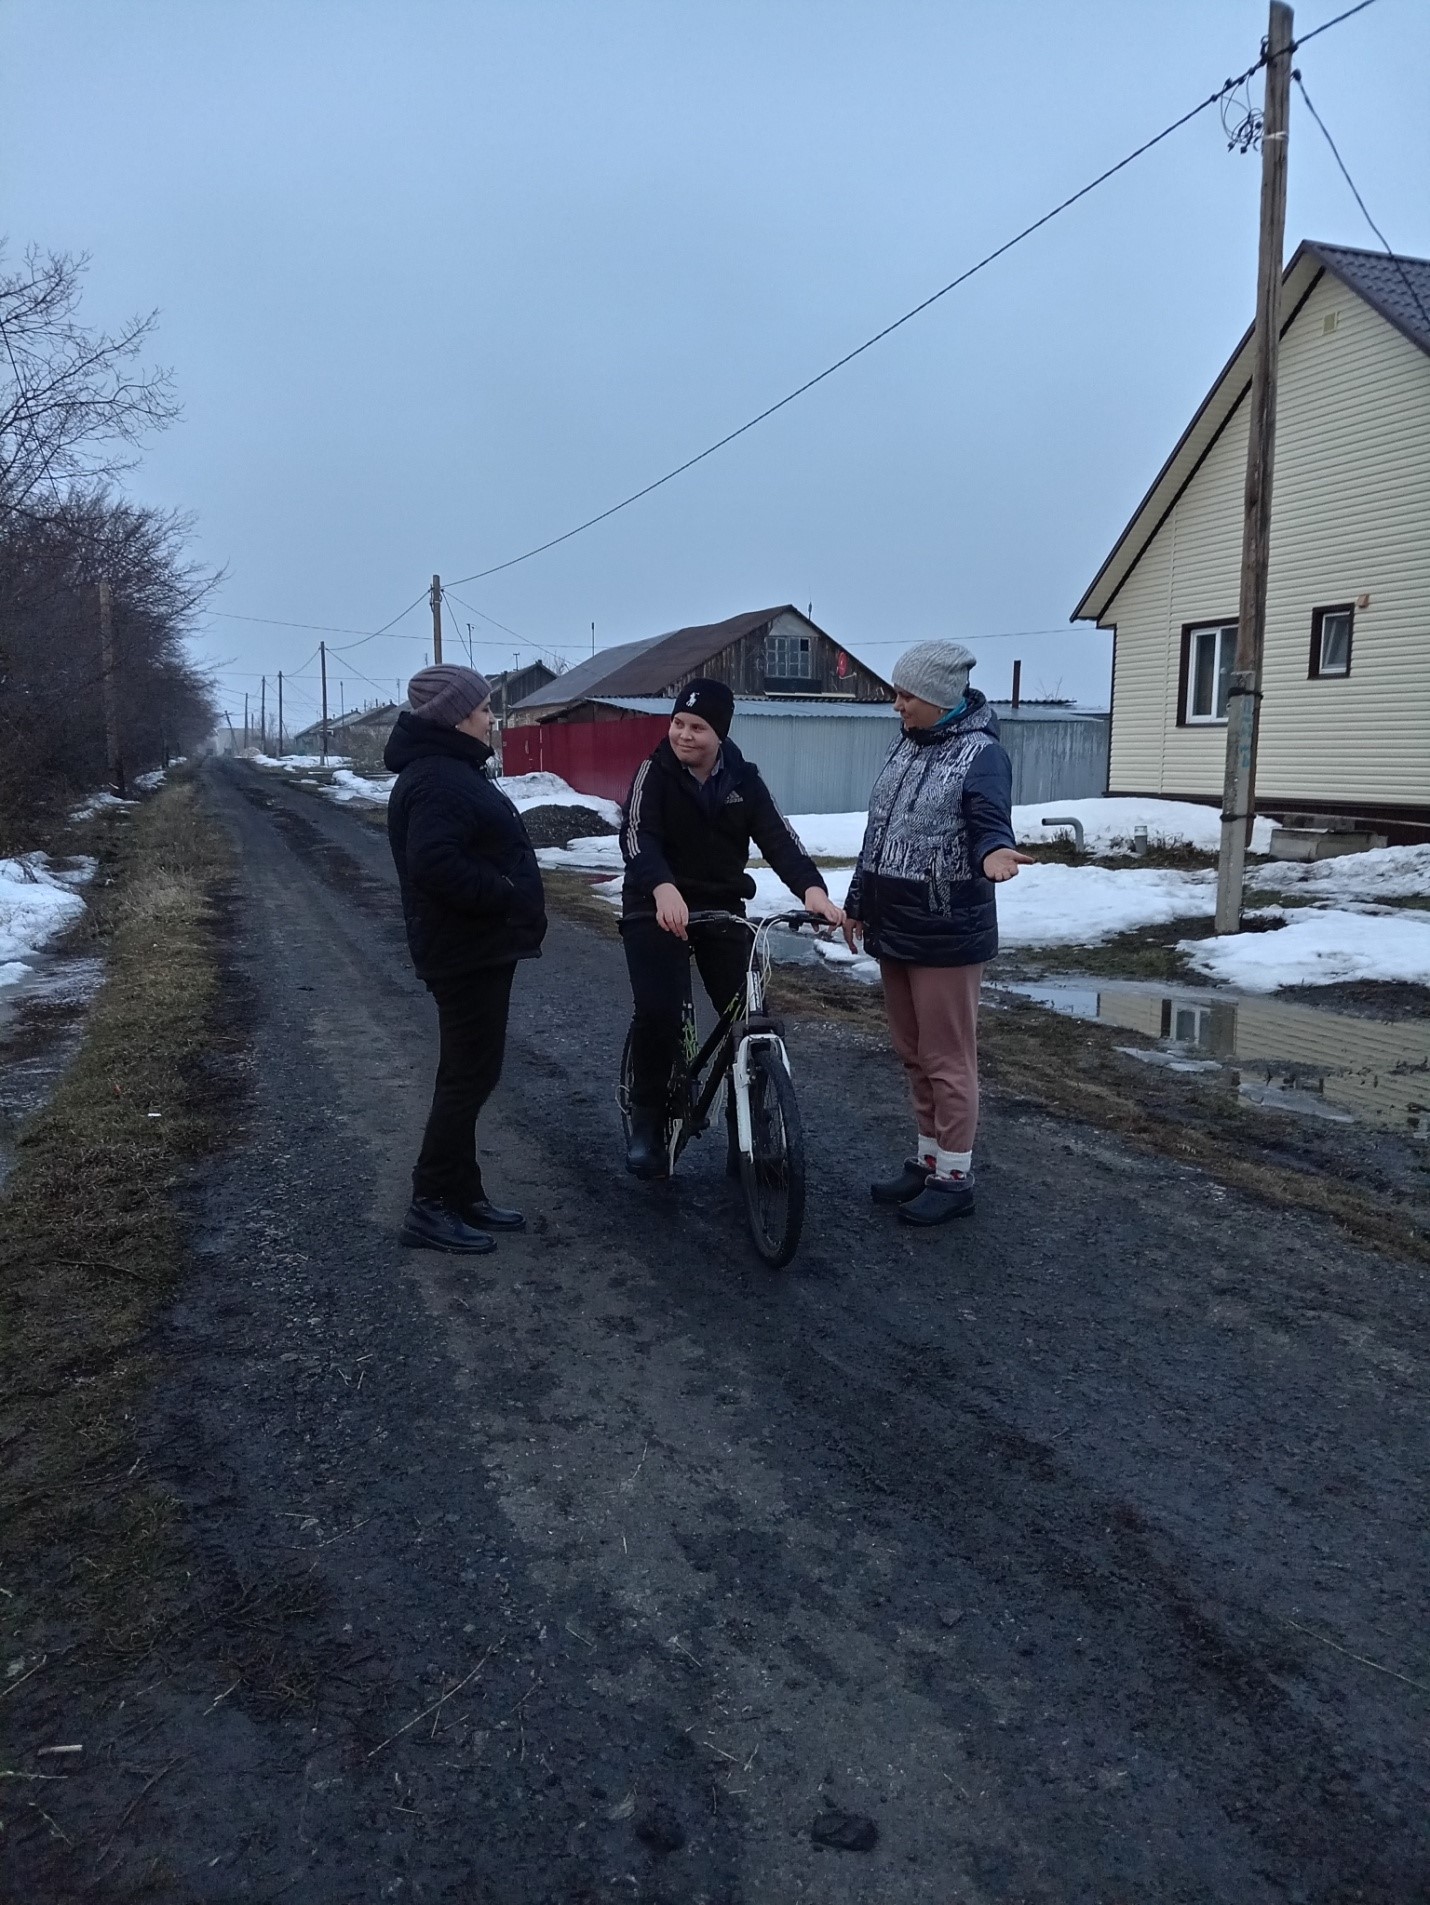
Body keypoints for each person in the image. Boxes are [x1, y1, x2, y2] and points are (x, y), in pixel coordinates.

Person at [619, 677, 844, 1177]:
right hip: (654, 905)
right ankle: (647, 1117)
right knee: (658, 1010)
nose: (684, 735)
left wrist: (812, 891)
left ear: (719, 733)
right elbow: (637, 838)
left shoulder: (743, 781)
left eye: (697, 727)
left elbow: (779, 839)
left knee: (751, 1017)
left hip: (720, 910)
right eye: (678, 723)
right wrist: (661, 888)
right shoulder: (652, 773)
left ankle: (749, 1130)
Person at [843, 641, 1034, 1226]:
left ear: (940, 698)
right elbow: (879, 834)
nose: (896, 704)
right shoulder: (907, 745)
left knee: (948, 1059)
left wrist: (996, 852)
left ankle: (954, 1178)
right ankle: (928, 1161)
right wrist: (857, 902)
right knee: (912, 1054)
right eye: (897, 692)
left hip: (947, 929)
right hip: (893, 922)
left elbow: (988, 819)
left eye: (907, 695)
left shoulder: (981, 754)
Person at [385, 664, 547, 1253]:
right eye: (484, 710)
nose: (492, 719)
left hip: (473, 948)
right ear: (456, 717)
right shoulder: (438, 780)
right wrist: (505, 893)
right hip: (465, 951)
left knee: (468, 1072)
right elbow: (435, 863)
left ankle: (462, 1191)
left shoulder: (451, 770)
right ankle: (429, 1202)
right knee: (467, 1078)